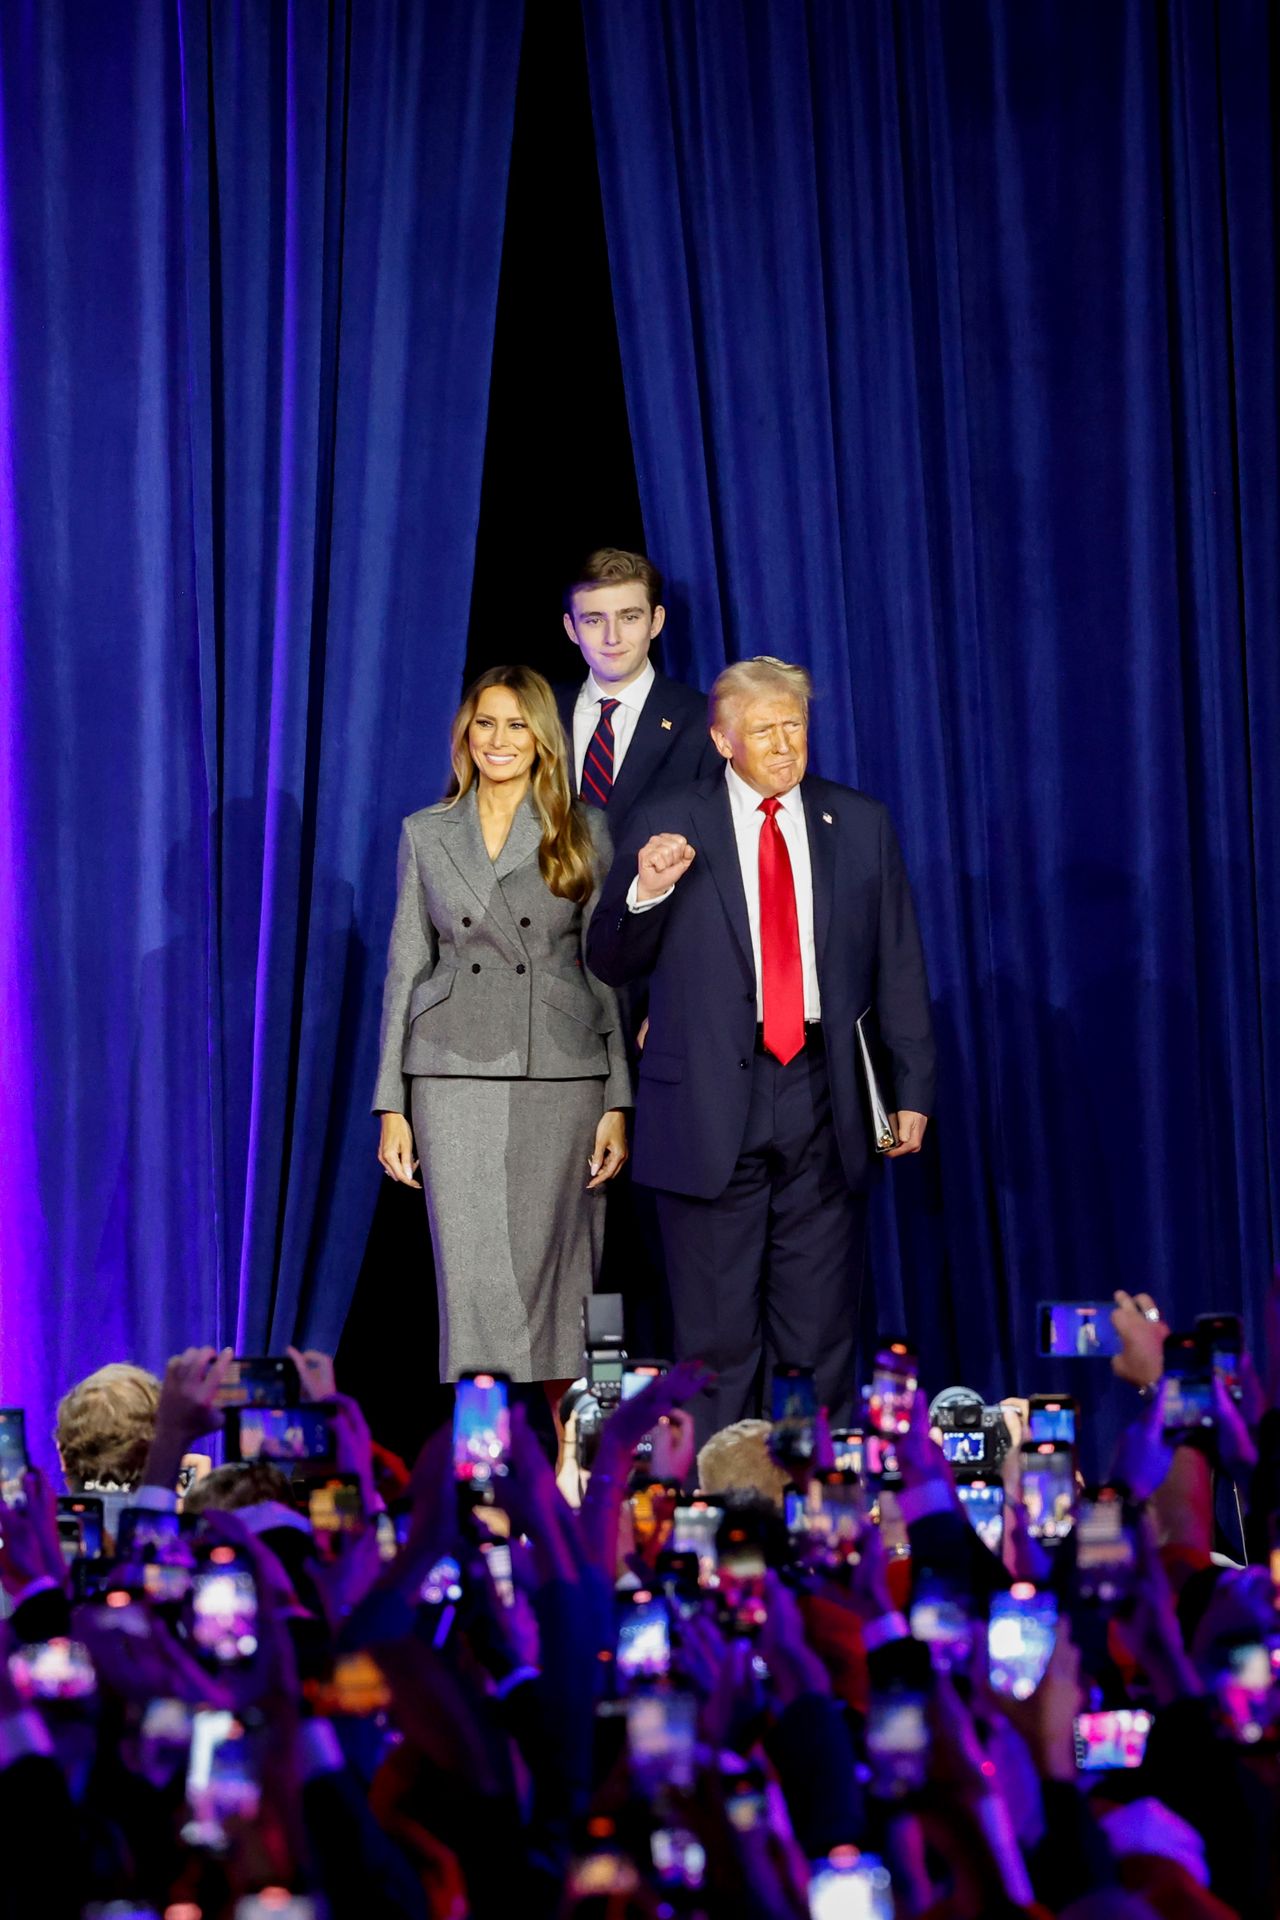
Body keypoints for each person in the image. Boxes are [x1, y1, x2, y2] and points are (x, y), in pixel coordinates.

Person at [587, 655, 936, 1438]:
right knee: (714, 1340)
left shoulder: (861, 823)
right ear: (721, 739)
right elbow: (608, 958)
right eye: (764, 730)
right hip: (709, 1100)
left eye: (795, 727)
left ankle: (816, 1516)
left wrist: (912, 1088)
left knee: (818, 1334)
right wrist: (645, 890)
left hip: (823, 1092)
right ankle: (719, 1514)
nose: (784, 745)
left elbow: (899, 962)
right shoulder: (666, 818)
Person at [373, 666, 632, 1397]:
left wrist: (619, 1099)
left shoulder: (585, 828)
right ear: (466, 733)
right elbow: (405, 969)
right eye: (485, 723)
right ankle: (482, 1474)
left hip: (565, 1071)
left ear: (542, 738)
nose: (499, 739)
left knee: (566, 1273)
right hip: (452, 1073)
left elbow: (606, 968)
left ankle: (574, 1464)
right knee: (474, 1282)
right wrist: (391, 1102)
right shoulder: (425, 833)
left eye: (517, 724)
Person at [557, 547, 720, 838]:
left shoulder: (703, 721)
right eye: (594, 620)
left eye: (629, 617)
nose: (612, 637)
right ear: (571, 628)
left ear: (655, 621)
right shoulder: (540, 713)